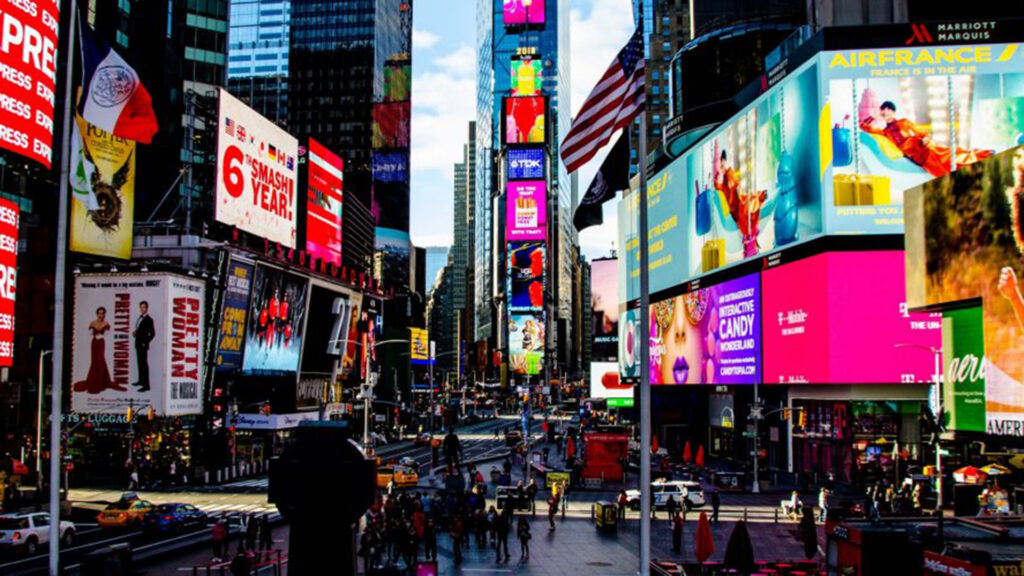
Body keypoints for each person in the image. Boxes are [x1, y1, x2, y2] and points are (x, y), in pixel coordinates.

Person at [859, 100, 993, 178]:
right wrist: (874, 116)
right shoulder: (884, 131)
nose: (884, 112)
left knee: (945, 154)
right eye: (883, 110)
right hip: (914, 154)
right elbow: (863, 126)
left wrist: (926, 139)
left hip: (922, 145)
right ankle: (974, 162)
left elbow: (922, 132)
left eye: (887, 109)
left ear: (892, 111)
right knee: (938, 164)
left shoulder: (904, 122)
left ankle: (980, 155)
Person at [714, 147, 767, 258]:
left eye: (722, 164)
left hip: (736, 200)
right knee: (746, 207)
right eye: (720, 166)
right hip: (734, 205)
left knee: (748, 203)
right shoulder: (723, 177)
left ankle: (751, 238)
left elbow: (736, 185)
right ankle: (750, 239)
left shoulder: (729, 173)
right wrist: (718, 175)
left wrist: (737, 189)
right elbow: (720, 186)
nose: (721, 168)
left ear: (725, 161)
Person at [74, 307, 125, 393]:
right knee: (94, 360)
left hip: (101, 343)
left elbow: (106, 334)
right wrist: (93, 332)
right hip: (94, 343)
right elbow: (90, 333)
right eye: (99, 313)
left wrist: (99, 335)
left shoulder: (106, 323)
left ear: (104, 314)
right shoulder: (93, 322)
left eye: (102, 313)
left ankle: (101, 381)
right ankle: (94, 380)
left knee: (100, 359)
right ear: (97, 314)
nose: (101, 315)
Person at [132, 300, 155, 392]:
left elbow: (152, 333)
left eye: (144, 307)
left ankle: (146, 385)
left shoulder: (149, 319)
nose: (142, 309)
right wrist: (136, 333)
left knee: (144, 365)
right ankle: (141, 381)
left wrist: (145, 342)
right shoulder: (140, 317)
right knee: (140, 363)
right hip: (138, 344)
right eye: (141, 307)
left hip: (142, 345)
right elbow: (142, 331)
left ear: (147, 308)